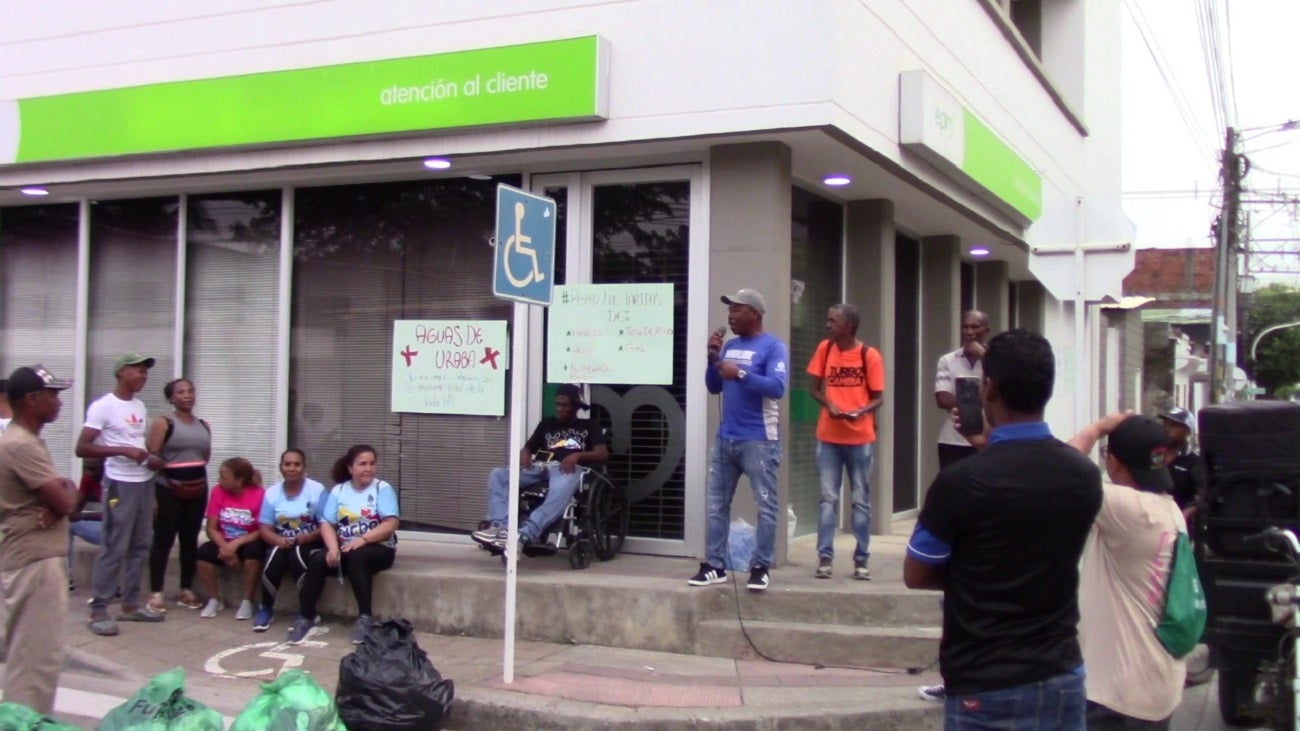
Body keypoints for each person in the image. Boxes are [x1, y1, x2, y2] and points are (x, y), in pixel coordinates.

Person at [904, 330, 1102, 730]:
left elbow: (917, 573)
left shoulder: (961, 482)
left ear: (988, 387)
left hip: (986, 682)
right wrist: (985, 445)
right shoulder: (1083, 476)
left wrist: (971, 573)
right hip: (1063, 672)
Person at [1069, 414, 1187, 728]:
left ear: (1115, 463)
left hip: (1119, 697)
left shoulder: (1127, 509)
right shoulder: (1168, 508)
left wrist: (1096, 429)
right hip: (1156, 682)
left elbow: (1059, 470)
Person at [688, 288, 789, 592]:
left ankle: (760, 566)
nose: (730, 316)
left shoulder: (773, 347)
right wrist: (712, 360)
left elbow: (777, 388)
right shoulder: (729, 346)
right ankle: (715, 565)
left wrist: (741, 374)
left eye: (737, 309)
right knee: (717, 504)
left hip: (759, 440)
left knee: (766, 505)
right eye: (729, 310)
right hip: (726, 438)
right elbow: (714, 387)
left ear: (755, 314)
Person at [0, 365, 78, 714]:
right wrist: (66, 492)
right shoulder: (20, 444)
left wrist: (63, 494)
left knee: (35, 656)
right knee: (34, 660)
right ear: (32, 400)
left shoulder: (25, 441)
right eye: (53, 394)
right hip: (34, 561)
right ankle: (23, 722)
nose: (59, 402)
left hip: (32, 557)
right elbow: (65, 502)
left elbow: (60, 499)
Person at [77, 352, 166, 636]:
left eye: (145, 371)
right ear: (121, 372)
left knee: (141, 544)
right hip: (119, 482)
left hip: (143, 480)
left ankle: (130, 604)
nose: (143, 376)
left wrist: (150, 458)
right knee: (114, 544)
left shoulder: (138, 405)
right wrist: (124, 451)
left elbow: (136, 442)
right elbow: (83, 448)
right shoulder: (103, 406)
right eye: (138, 370)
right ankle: (99, 608)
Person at [471, 383, 609, 553]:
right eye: (557, 404)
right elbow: (529, 447)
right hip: (540, 467)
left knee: (560, 488)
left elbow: (602, 454)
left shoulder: (589, 426)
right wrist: (525, 453)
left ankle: (525, 534)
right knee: (498, 475)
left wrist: (578, 455)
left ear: (575, 407)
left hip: (568, 470)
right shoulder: (547, 423)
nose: (559, 409)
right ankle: (500, 528)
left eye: (564, 405)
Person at [288, 445, 399, 645]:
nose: (368, 468)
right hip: (346, 548)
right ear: (350, 468)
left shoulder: (382, 488)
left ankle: (365, 617)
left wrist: (363, 539)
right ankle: (306, 616)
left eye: (372, 464)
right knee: (319, 558)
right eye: (362, 464)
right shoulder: (339, 491)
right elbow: (326, 523)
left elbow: (390, 524)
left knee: (359, 556)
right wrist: (332, 548)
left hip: (378, 547)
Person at [806, 303, 884, 580]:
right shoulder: (825, 349)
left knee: (861, 499)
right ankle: (825, 557)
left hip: (860, 437)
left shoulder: (869, 355)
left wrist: (859, 411)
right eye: (827, 320)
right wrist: (829, 404)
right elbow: (813, 388)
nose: (828, 325)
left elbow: (878, 396)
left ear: (848, 326)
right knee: (828, 498)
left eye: (833, 321)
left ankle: (861, 559)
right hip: (828, 436)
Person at [146, 377, 210, 613]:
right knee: (163, 539)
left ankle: (186, 589)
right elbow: (151, 457)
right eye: (181, 392)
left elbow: (205, 455)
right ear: (171, 397)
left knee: (189, 539)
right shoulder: (164, 423)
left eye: (190, 391)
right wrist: (153, 496)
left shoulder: (203, 425)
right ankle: (156, 593)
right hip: (168, 487)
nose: (187, 396)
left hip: (198, 487)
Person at [253, 448, 326, 633]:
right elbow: (264, 528)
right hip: (282, 542)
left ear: (304, 467)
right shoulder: (272, 493)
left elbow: (327, 525)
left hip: (311, 541)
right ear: (281, 467)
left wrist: (308, 537)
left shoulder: (316, 490)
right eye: (287, 464)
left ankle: (306, 611)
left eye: (297, 464)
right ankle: (266, 608)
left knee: (298, 557)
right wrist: (277, 540)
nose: (292, 468)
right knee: (274, 557)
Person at [196, 457, 266, 620]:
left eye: (224, 476)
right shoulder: (217, 491)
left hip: (247, 540)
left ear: (239, 480)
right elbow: (211, 528)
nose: (220, 480)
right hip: (223, 541)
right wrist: (225, 548)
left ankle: (247, 601)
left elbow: (261, 531)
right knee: (203, 554)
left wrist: (235, 544)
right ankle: (214, 599)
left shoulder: (258, 495)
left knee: (254, 553)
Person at [933, 310, 990, 469]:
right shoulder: (948, 360)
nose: (969, 332)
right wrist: (978, 402)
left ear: (986, 331)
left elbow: (999, 391)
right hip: (952, 440)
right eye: (965, 327)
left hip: (985, 439)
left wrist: (985, 357)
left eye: (975, 327)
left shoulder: (995, 360)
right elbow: (942, 398)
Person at [1157, 407, 1206, 517]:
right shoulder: (1155, 454)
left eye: (1173, 425)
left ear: (1187, 431)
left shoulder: (1194, 461)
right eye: (1165, 424)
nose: (1167, 429)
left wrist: (1187, 513)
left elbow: (1203, 495)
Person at [68, 458, 106, 590]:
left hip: (122, 530)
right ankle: (68, 578)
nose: (89, 473)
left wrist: (86, 515)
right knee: (67, 525)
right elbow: (75, 510)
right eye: (86, 468)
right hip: (103, 527)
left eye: (93, 469)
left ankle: (107, 588)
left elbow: (117, 515)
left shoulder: (115, 480)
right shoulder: (88, 478)